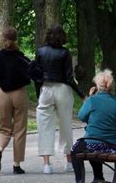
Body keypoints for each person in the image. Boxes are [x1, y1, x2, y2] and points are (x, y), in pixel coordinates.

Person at [35, 24, 85, 174]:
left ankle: (46, 164)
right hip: (63, 89)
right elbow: (69, 78)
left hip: (46, 88)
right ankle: (68, 161)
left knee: (44, 126)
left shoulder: (40, 52)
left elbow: (37, 75)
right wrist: (81, 94)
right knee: (65, 124)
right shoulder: (65, 53)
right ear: (62, 37)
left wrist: (39, 93)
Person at [71, 69, 116, 183]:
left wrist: (89, 98)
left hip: (94, 143)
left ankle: (80, 182)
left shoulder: (92, 100)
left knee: (76, 149)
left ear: (97, 86)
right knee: (92, 144)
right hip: (113, 145)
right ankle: (97, 177)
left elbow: (81, 116)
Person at [0, 27, 31, 174]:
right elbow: (30, 73)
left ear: (3, 38)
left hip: (2, 94)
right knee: (20, 129)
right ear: (16, 39)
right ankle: (16, 164)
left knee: (4, 127)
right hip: (19, 93)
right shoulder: (22, 58)